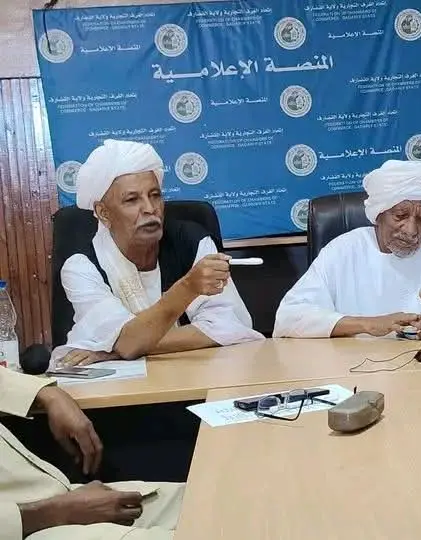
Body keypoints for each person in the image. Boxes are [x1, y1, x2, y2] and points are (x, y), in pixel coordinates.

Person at [52, 140, 263, 368]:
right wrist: (188, 287)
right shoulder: (81, 267)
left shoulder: (191, 241)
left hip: (191, 372)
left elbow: (230, 326)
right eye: (132, 200)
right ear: (103, 213)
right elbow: (128, 342)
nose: (150, 208)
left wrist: (115, 350)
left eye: (155, 195)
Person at [273, 160, 421, 339]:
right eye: (400, 216)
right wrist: (367, 324)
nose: (412, 230)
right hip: (357, 368)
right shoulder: (343, 250)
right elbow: (289, 317)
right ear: (378, 215)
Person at [0, 367, 183, 539]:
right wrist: (56, 512)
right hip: (23, 525)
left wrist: (48, 394)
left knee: (195, 500)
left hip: (47, 497)